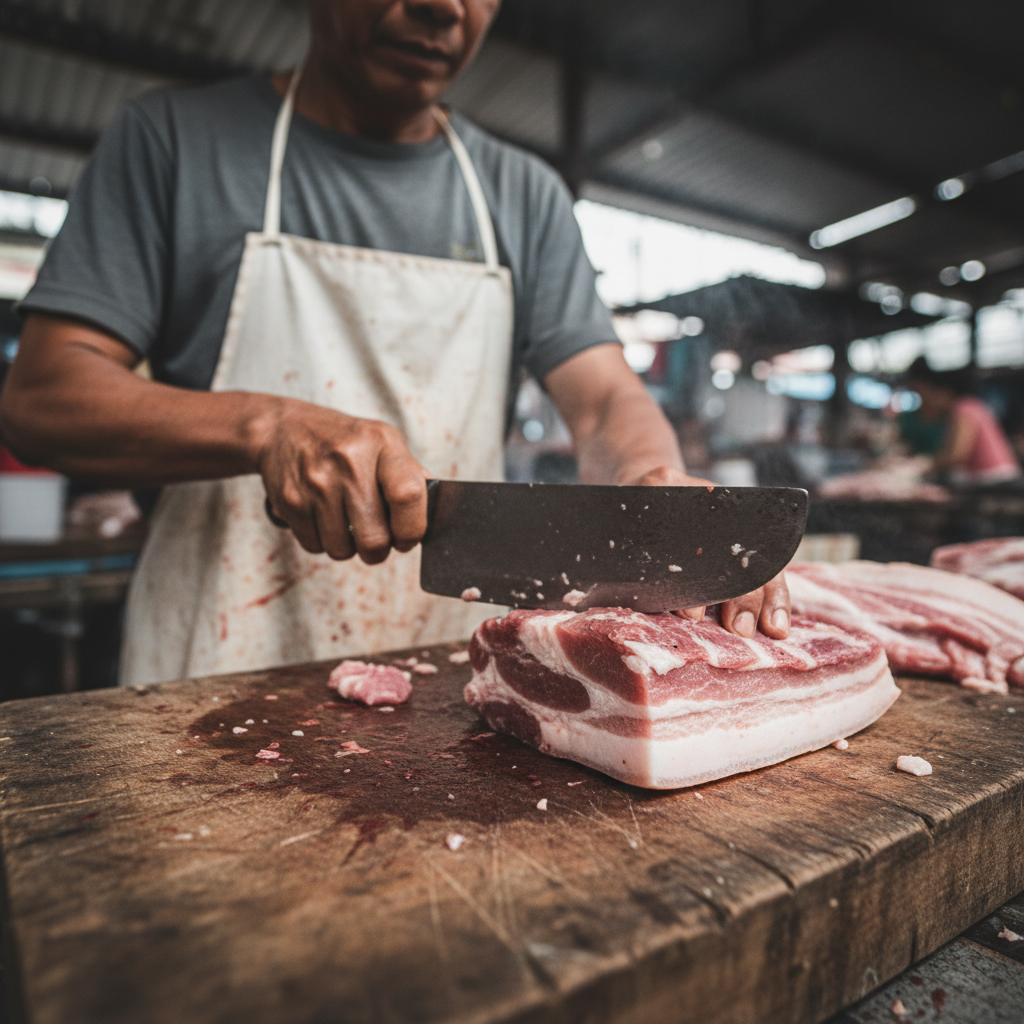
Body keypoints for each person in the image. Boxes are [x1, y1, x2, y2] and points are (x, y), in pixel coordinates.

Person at [0, 0, 790, 686]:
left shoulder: (521, 194)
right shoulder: (173, 142)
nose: (443, 7)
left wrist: (647, 482)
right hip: (210, 673)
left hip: (451, 674)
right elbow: (43, 399)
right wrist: (266, 427)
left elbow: (605, 399)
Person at [903, 358, 1021, 484]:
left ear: (945, 392)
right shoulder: (968, 406)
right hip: (995, 478)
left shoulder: (964, 408)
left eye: (934, 394)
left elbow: (957, 455)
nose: (931, 401)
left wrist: (922, 466)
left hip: (997, 480)